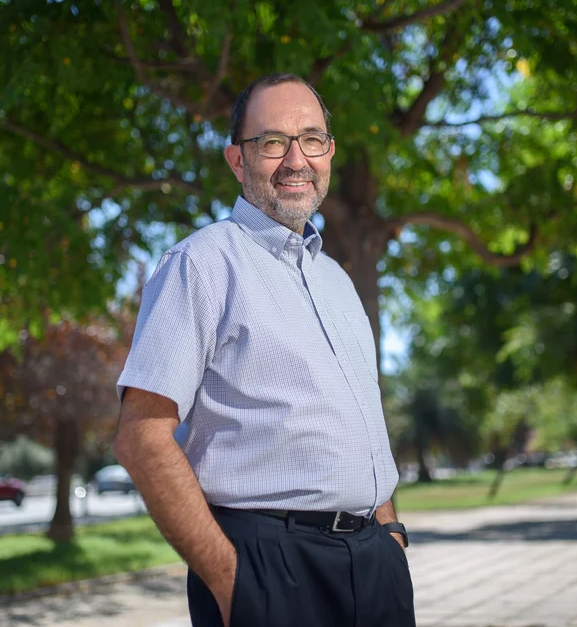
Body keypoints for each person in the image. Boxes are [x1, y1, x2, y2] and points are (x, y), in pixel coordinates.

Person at [114, 72, 415, 627]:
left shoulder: (339, 282)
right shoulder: (200, 265)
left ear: (329, 152)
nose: (296, 159)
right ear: (237, 160)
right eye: (273, 142)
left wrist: (390, 532)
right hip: (270, 568)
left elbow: (365, 425)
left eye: (312, 139)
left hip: (376, 566)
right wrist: (232, 582)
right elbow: (141, 436)